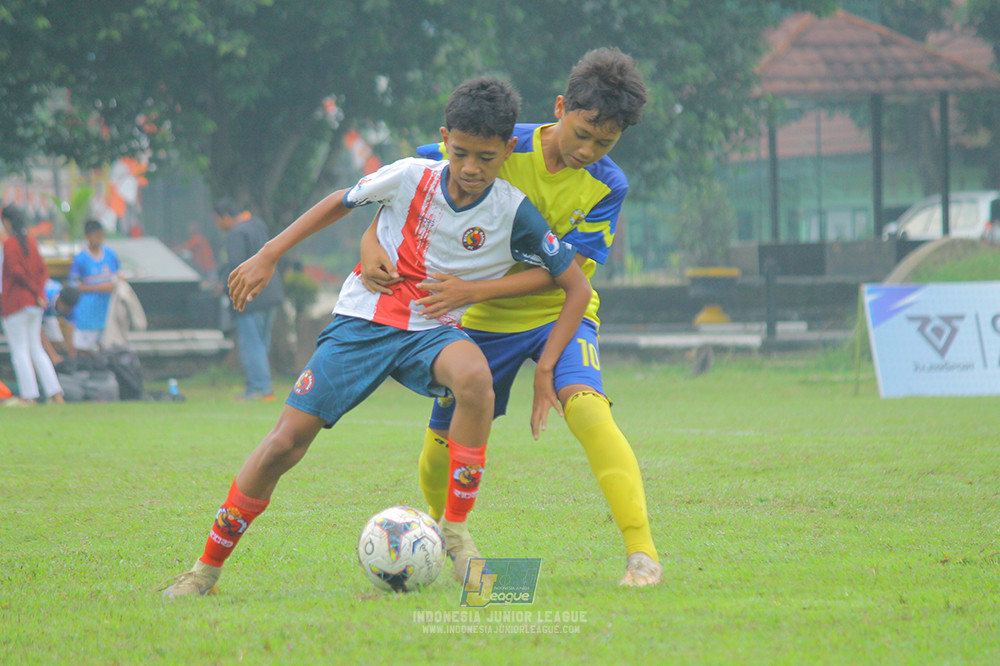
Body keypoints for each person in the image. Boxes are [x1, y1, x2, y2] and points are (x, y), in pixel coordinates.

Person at [161, 77, 591, 597]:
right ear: (444, 139)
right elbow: (339, 201)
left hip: (432, 329)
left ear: (506, 150)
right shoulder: (410, 175)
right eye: (460, 153)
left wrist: (543, 366)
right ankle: (205, 570)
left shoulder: (514, 210)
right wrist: (269, 253)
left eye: (485, 157)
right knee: (283, 445)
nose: (471, 168)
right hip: (364, 320)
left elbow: (574, 284)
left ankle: (456, 532)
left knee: (475, 378)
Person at [360, 48, 663, 587]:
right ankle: (446, 539)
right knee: (441, 446)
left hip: (559, 315)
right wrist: (369, 246)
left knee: (589, 411)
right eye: (583, 134)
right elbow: (404, 189)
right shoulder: (496, 142)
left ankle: (642, 555)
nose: (589, 151)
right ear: (560, 107)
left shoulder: (609, 185)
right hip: (479, 321)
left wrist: (474, 291)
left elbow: (567, 276)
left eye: (605, 143)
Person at [214, 198, 284, 401]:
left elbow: (236, 264)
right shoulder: (258, 225)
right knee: (261, 344)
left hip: (251, 296)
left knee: (251, 345)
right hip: (270, 292)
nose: (218, 225)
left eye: (217, 220)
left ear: (225, 216)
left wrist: (225, 285)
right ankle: (262, 387)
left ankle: (259, 388)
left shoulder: (237, 232)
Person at [1, 206, 65, 405]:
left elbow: (16, 271)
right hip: (34, 303)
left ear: (7, 222)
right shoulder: (30, 241)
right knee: (36, 349)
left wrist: (34, 290)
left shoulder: (10, 244)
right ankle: (55, 393)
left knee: (19, 351)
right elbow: (42, 270)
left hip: (15, 302)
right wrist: (39, 293)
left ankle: (29, 396)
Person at [68, 219, 119, 353]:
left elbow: (117, 278)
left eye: (102, 236)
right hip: (87, 313)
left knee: (107, 349)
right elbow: (74, 286)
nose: (100, 239)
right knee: (84, 350)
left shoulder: (110, 255)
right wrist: (99, 288)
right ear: (88, 236)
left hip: (107, 312)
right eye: (96, 236)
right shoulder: (80, 259)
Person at [40, 279, 80, 366]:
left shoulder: (70, 306)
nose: (67, 311)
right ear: (59, 300)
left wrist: (71, 350)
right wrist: (53, 355)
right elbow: (38, 331)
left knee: (59, 345)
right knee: (37, 344)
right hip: (35, 310)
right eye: (66, 308)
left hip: (49, 315)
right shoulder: (46, 298)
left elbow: (70, 328)